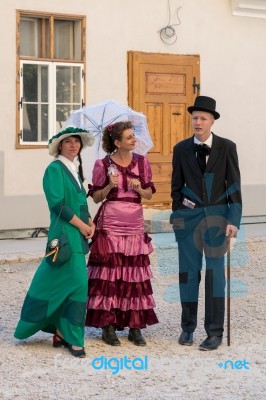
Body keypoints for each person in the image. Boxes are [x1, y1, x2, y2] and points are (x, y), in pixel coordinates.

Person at [14, 126, 96, 358]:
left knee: (66, 282)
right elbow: (57, 205)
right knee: (77, 283)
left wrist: (90, 221)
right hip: (61, 235)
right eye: (68, 141)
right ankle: (73, 337)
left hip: (76, 236)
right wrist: (82, 225)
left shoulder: (75, 170)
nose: (73, 145)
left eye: (77, 142)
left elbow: (80, 203)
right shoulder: (54, 170)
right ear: (59, 145)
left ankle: (61, 331)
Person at [170, 96, 242, 350]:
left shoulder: (227, 147)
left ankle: (214, 332)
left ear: (212, 121)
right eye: (194, 118)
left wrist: (234, 220)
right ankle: (187, 328)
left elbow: (233, 186)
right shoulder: (180, 149)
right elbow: (176, 188)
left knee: (215, 277)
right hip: (188, 222)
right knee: (188, 275)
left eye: (202, 118)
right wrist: (178, 215)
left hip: (218, 222)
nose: (197, 122)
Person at [86, 121, 159, 346]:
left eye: (133, 136)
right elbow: (97, 198)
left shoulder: (142, 162)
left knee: (134, 274)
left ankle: (135, 326)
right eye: (128, 137)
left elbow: (149, 195)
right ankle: (108, 326)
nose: (133, 140)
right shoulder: (103, 164)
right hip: (111, 224)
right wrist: (109, 185)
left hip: (134, 225)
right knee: (109, 274)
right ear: (117, 143)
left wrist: (138, 188)